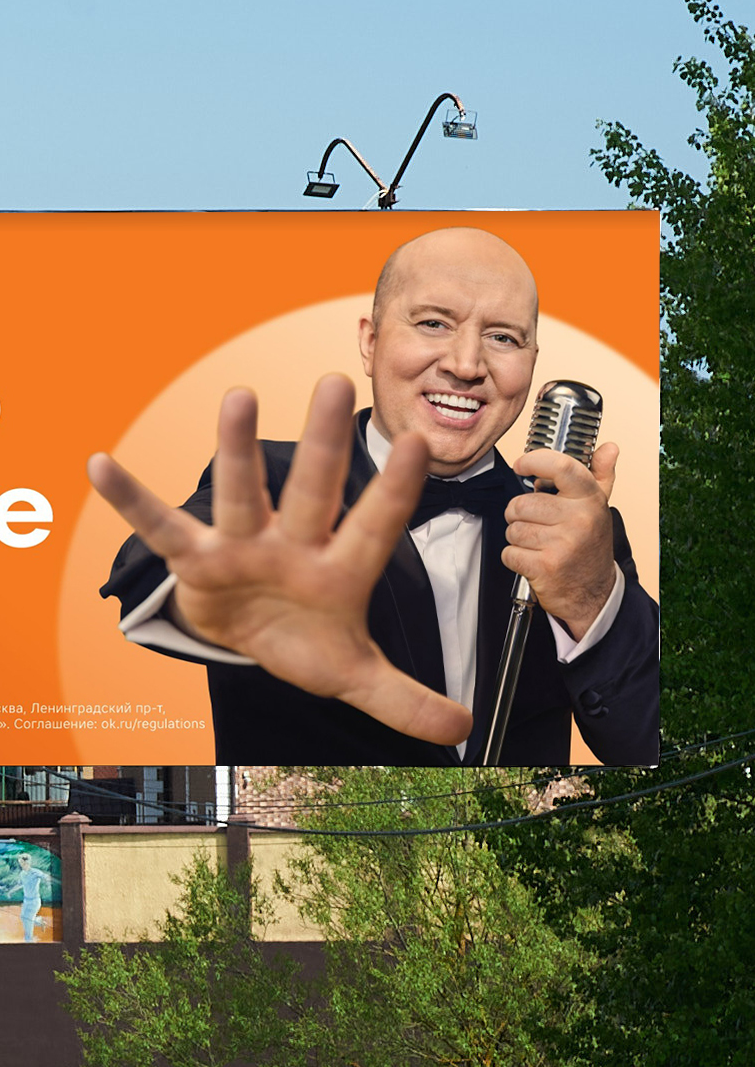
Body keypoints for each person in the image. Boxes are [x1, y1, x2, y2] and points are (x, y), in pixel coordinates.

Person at [91, 226, 659, 765]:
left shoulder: (583, 535)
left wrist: (591, 599)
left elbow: (648, 740)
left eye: (503, 337)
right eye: (434, 323)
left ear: (532, 364)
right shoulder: (272, 482)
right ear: (370, 341)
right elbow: (150, 572)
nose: (465, 365)